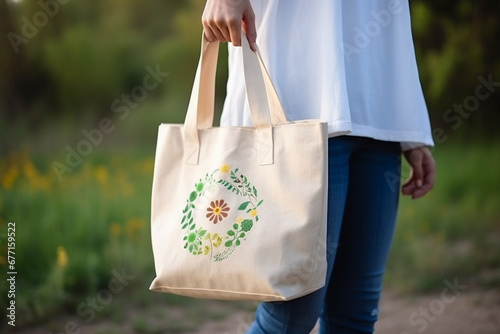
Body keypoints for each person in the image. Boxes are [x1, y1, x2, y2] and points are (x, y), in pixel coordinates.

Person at [202, 0, 436, 333]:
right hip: (296, 105)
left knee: (355, 315)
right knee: (290, 315)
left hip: (379, 110)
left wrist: (410, 130)